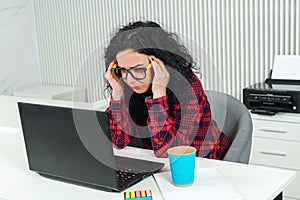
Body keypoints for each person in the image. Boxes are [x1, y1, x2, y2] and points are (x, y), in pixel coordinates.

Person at [104, 21, 231, 159]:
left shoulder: (188, 86)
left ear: (160, 62)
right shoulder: (128, 86)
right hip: (159, 163)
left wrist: (159, 92)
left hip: (203, 162)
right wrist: (117, 95)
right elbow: (118, 141)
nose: (130, 79)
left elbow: (169, 151)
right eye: (123, 70)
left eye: (139, 69)